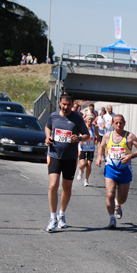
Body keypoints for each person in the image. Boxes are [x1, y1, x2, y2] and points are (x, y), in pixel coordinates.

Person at [44, 93, 90, 232]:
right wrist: (47, 137)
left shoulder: (77, 118)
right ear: (60, 103)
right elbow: (48, 127)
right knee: (53, 185)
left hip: (70, 157)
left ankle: (62, 214)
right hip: (54, 155)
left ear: (72, 104)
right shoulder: (53, 116)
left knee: (67, 187)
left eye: (69, 105)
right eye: (64, 104)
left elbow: (87, 135)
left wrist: (79, 137)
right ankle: (52, 217)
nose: (66, 107)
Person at [96, 114, 137, 229]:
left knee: (123, 198)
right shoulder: (108, 136)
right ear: (112, 124)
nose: (118, 125)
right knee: (109, 194)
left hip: (124, 170)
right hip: (110, 169)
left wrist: (130, 156)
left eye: (121, 123)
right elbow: (101, 147)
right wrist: (99, 157)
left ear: (124, 123)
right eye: (116, 123)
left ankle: (118, 203)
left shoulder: (130, 136)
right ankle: (112, 218)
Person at [76, 115, 99, 186]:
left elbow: (97, 136)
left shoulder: (94, 128)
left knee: (89, 165)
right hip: (83, 147)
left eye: (91, 119)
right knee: (83, 163)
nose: (90, 121)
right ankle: (81, 170)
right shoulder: (82, 127)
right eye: (89, 119)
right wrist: (80, 140)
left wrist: (97, 141)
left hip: (91, 148)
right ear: (86, 120)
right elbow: (78, 135)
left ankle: (86, 180)